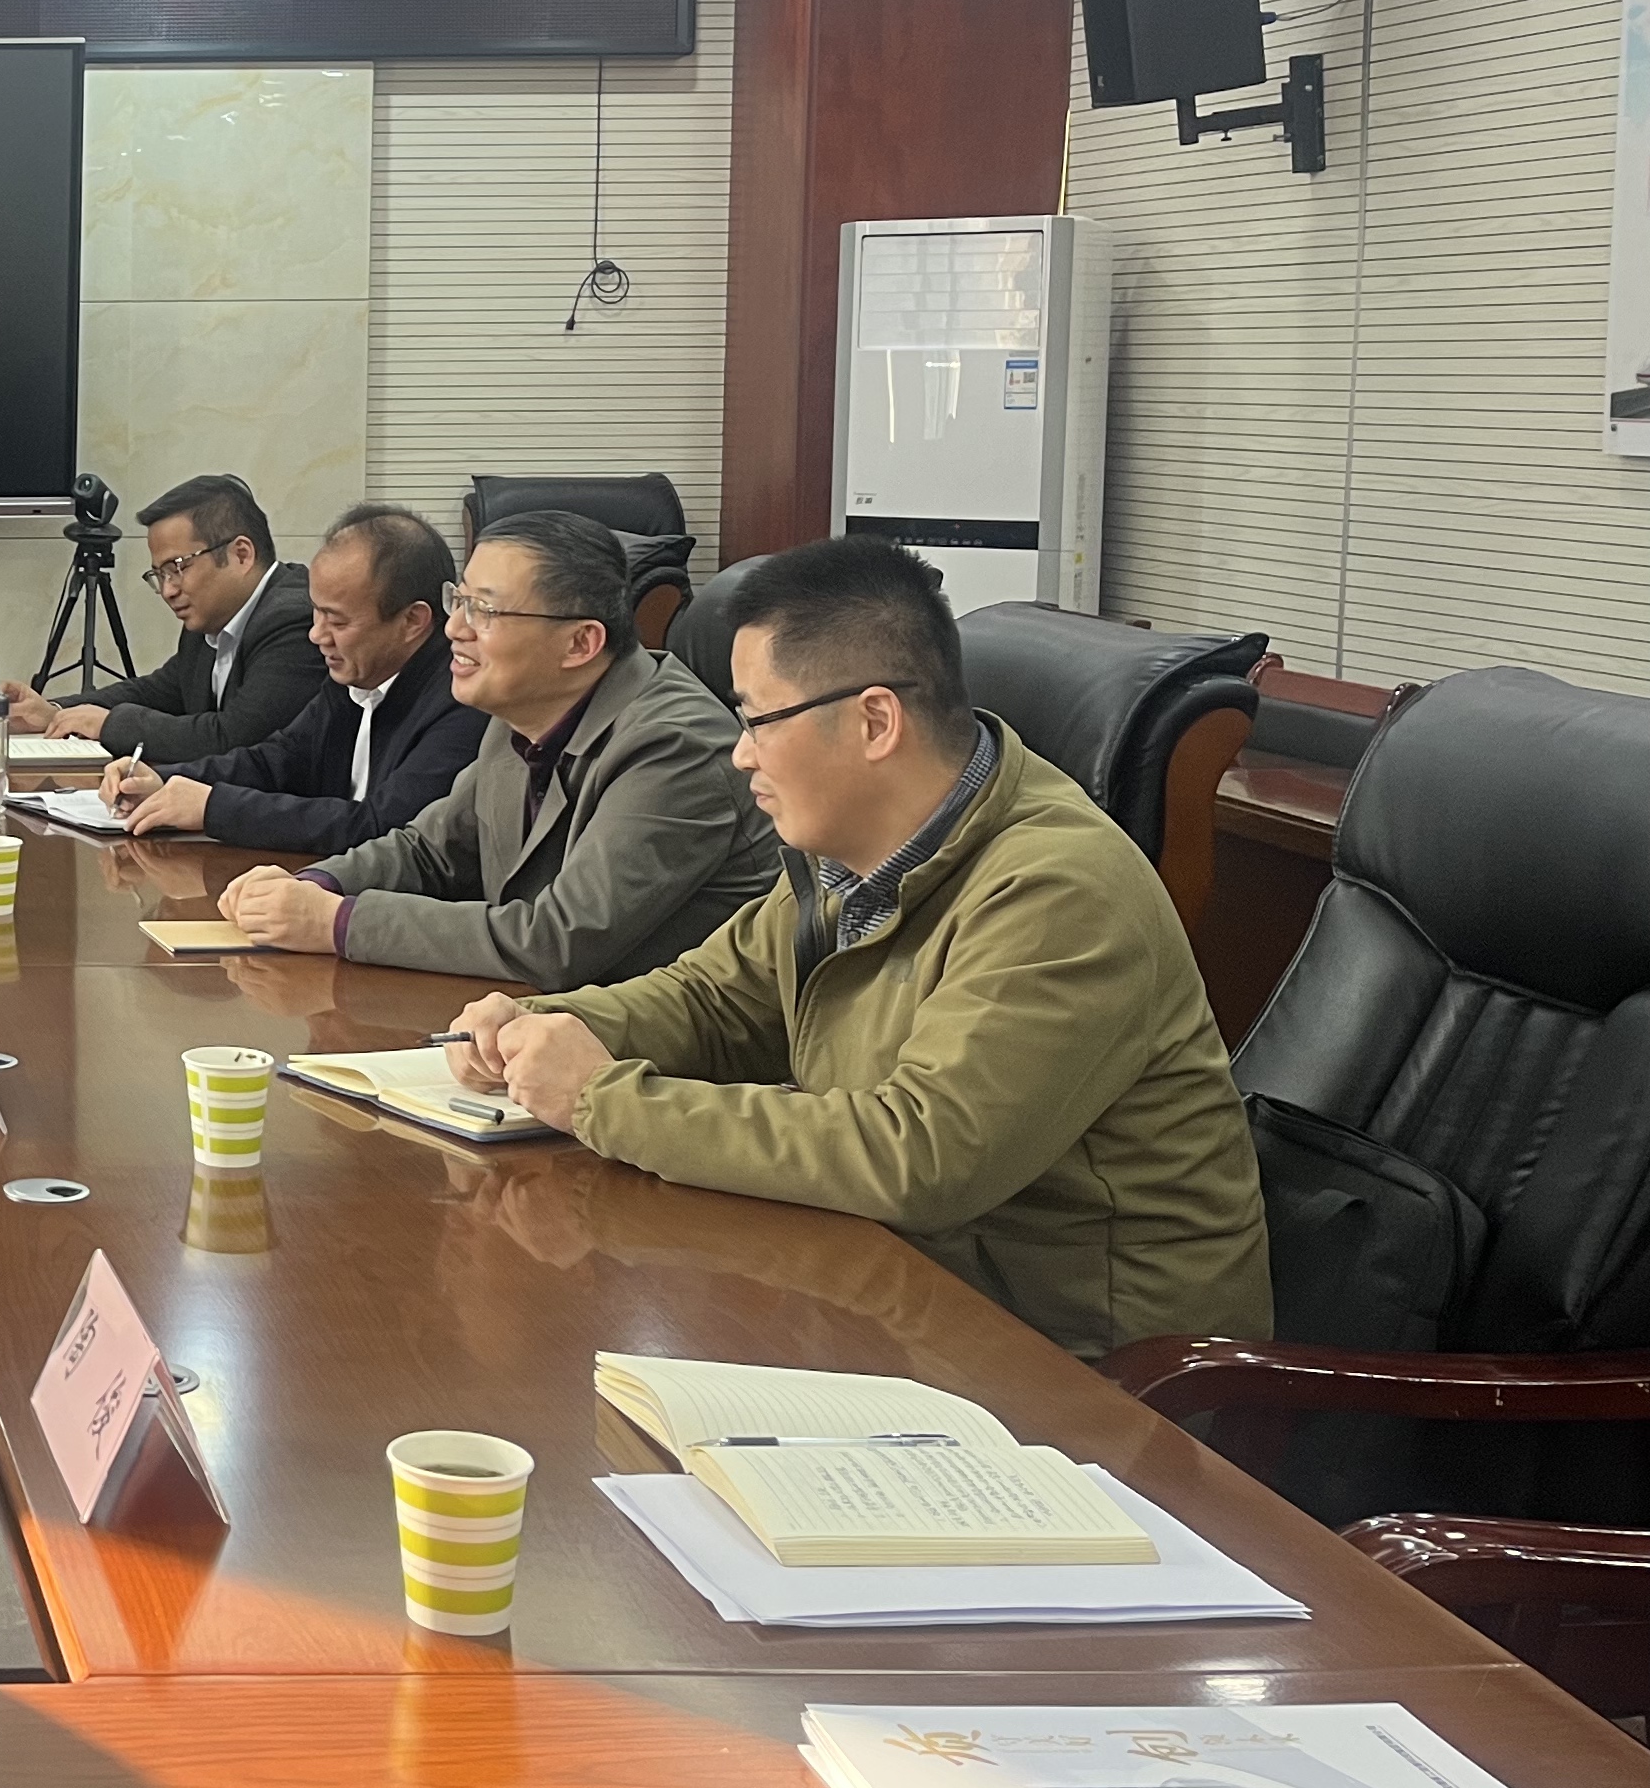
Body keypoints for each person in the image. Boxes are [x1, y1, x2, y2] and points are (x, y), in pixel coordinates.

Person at [449, 536, 1271, 1359]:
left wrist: (598, 1099)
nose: (740, 753)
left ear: (875, 721)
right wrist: (542, 1024)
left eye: (758, 720)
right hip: (898, 1295)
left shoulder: (1061, 890)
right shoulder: (852, 846)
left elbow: (921, 1156)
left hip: (1084, 1365)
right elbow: (713, 1002)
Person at [216, 507, 774, 988]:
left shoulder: (675, 747)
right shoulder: (523, 711)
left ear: (580, 642)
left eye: (484, 611)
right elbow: (428, 850)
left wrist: (336, 922)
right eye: (458, 600)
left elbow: (556, 941)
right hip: (539, 1019)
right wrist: (316, 884)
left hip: (663, 1053)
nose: (453, 629)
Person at [97, 502, 485, 856]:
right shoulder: (354, 674)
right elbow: (278, 761)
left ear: (413, 621)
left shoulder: (463, 702)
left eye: (337, 621)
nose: (317, 634)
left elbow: (383, 829)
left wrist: (214, 807)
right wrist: (163, 781)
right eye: (316, 611)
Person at [5, 472, 326, 764]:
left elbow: (234, 739)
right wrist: (56, 712)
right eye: (159, 575)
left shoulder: (294, 621)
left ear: (241, 555)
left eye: (178, 567)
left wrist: (109, 725)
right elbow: (158, 692)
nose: (168, 590)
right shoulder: (212, 619)